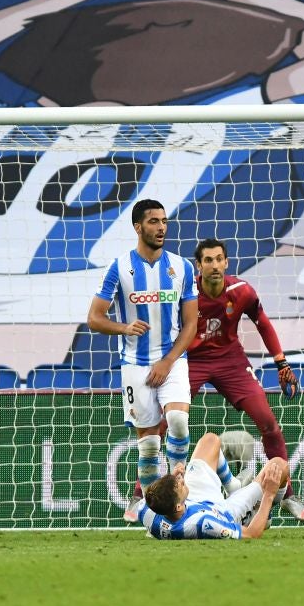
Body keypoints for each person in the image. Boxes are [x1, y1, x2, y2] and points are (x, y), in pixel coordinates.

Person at [87, 199, 198, 516]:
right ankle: (153, 515)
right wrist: (123, 327)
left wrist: (167, 361)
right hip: (135, 365)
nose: (161, 227)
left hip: (173, 361)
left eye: (164, 221)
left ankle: (180, 493)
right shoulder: (119, 267)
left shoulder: (182, 268)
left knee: (178, 421)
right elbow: (94, 318)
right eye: (153, 221)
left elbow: (191, 324)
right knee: (149, 444)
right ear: (138, 226)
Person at [189, 237, 304, 522]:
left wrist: (281, 363)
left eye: (219, 259)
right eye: (208, 260)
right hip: (191, 360)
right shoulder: (187, 291)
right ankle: (142, 493)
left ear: (226, 262)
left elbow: (263, 323)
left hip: (230, 360)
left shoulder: (241, 291)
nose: (215, 265)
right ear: (199, 265)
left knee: (268, 422)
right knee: (170, 421)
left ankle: (288, 493)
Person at [138, 432, 291, 540]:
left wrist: (173, 479)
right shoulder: (203, 523)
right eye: (180, 485)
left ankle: (234, 486)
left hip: (193, 499)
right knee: (279, 466)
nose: (182, 480)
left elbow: (162, 497)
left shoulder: (146, 509)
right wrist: (269, 495)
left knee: (210, 440)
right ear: (178, 506)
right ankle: (261, 514)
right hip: (224, 511)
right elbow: (252, 534)